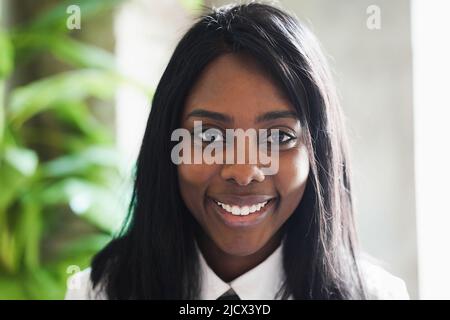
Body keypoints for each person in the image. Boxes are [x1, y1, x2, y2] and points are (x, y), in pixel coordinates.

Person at [65, 2, 409, 300]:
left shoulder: (377, 295)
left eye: (278, 138)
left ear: (317, 152)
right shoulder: (97, 293)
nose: (243, 172)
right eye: (210, 137)